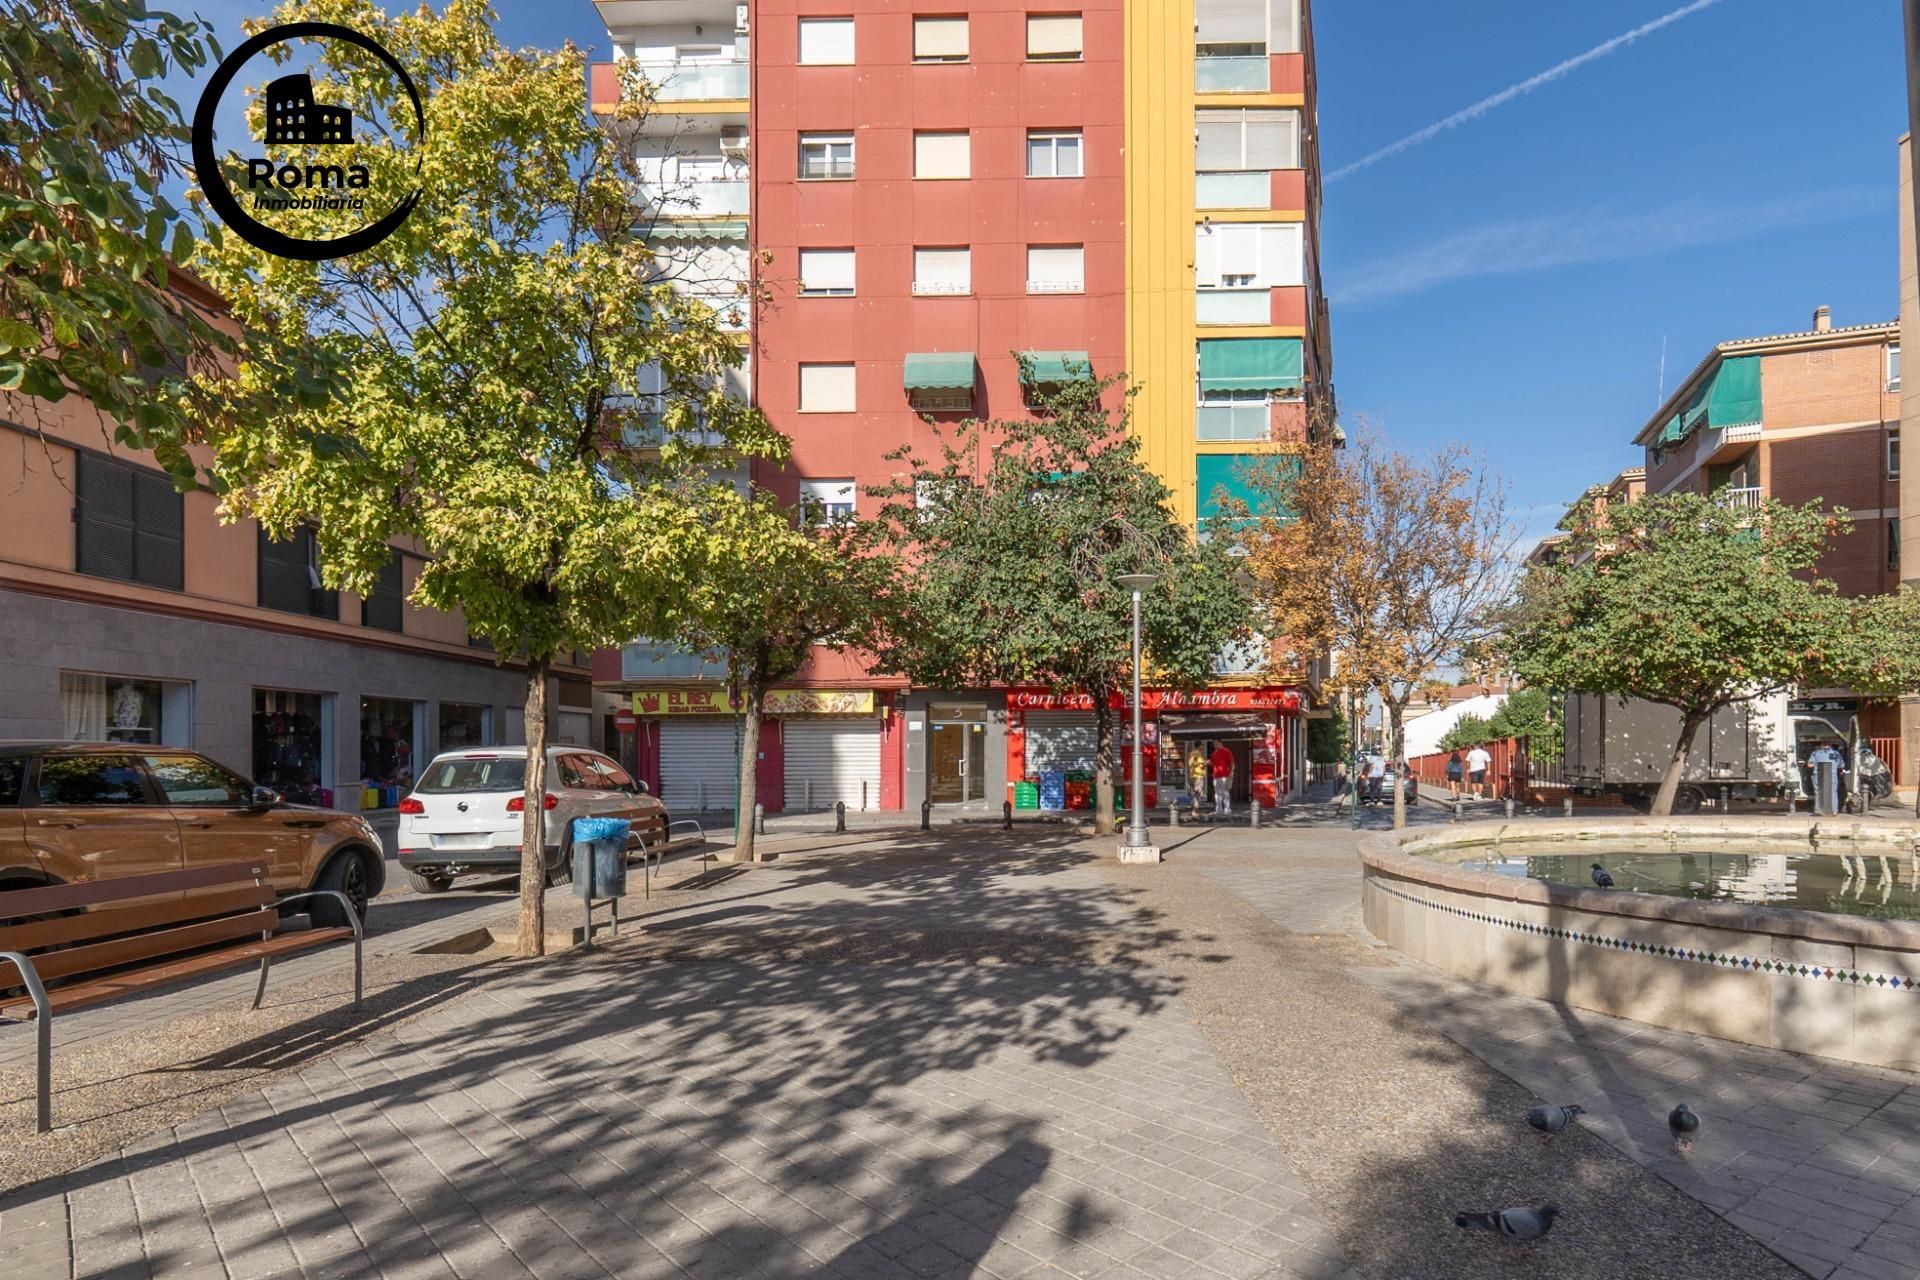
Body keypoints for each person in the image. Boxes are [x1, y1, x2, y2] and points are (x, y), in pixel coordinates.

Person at [1211, 741, 1235, 816]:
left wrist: (1231, 772)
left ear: (1220, 743)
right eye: (1214, 744)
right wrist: (1209, 763)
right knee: (1217, 793)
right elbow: (1213, 763)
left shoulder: (1227, 751)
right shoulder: (1214, 753)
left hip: (1225, 775)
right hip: (1216, 775)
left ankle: (1227, 809)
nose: (1215, 745)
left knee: (1225, 792)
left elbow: (1232, 762)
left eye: (1216, 744)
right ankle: (1219, 809)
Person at [1186, 742, 1209, 819]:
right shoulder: (1198, 754)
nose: (1203, 747)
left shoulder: (1191, 753)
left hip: (1192, 776)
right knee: (1198, 794)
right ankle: (1194, 811)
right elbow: (1201, 766)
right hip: (1198, 776)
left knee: (1196, 793)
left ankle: (1195, 810)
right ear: (1199, 746)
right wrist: (1207, 763)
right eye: (1202, 745)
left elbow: (1190, 764)